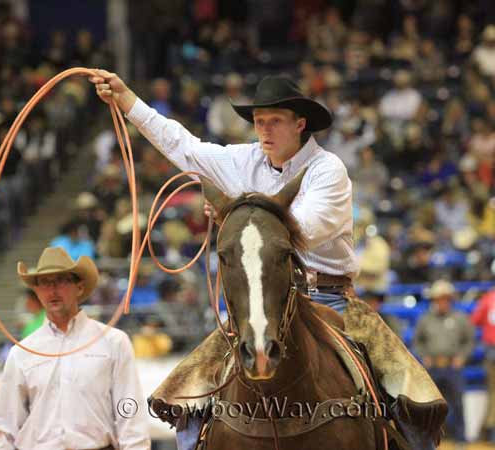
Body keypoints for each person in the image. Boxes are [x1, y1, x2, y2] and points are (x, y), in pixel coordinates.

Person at [90, 70, 446, 450]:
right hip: (261, 300)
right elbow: (183, 147)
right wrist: (128, 100)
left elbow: (300, 233)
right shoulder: (245, 160)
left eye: (274, 121)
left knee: (411, 397)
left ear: (300, 123)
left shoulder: (328, 171)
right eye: (259, 122)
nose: (264, 131)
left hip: (330, 299)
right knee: (185, 400)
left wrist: (235, 215)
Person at [0, 246, 150, 450]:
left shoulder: (114, 343)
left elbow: (130, 413)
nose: (53, 290)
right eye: (45, 283)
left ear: (79, 288)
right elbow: (4, 426)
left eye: (61, 281)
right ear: (37, 291)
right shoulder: (22, 352)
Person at [413, 280, 474, 449]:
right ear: (434, 300)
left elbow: (469, 341)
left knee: (457, 402)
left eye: (446, 298)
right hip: (432, 368)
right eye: (439, 298)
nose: (442, 302)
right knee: (430, 405)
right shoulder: (425, 319)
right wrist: (424, 356)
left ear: (450, 299)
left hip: (452, 367)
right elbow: (418, 341)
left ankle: (460, 438)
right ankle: (428, 439)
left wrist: (461, 357)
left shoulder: (460, 318)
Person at [470, 287, 495, 443]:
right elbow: (474, 321)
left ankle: (487, 430)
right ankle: (489, 432)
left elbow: (475, 320)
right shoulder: (489, 298)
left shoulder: (489, 298)